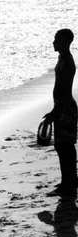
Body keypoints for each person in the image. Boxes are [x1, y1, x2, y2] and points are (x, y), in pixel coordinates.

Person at [43, 29, 77, 197]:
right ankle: (68, 182)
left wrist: (55, 111)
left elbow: (63, 90)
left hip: (65, 107)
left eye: (56, 39)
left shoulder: (67, 62)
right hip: (63, 106)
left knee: (65, 146)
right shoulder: (62, 59)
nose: (53, 42)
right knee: (62, 146)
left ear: (65, 42)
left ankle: (69, 184)